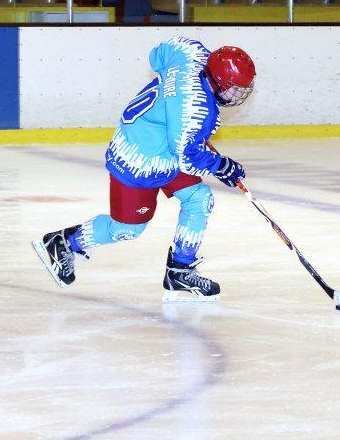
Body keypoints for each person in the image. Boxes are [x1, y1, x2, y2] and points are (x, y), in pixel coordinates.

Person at [33, 36, 256, 301]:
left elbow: (159, 52)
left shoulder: (191, 56)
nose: (239, 95)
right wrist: (220, 165)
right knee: (127, 229)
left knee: (199, 198)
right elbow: (188, 156)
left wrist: (171, 101)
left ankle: (180, 270)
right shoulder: (195, 110)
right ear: (217, 81)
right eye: (234, 89)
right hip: (138, 160)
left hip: (163, 147)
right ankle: (64, 243)